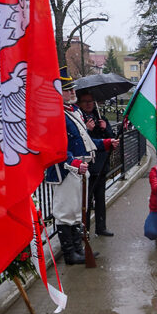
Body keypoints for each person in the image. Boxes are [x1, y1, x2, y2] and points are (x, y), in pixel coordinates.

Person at [45, 67, 114, 265]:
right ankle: (70, 254)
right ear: (59, 91)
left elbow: (85, 141)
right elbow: (55, 147)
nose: (73, 92)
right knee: (66, 213)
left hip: (80, 169)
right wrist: (72, 161)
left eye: (72, 89)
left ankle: (77, 249)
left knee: (77, 212)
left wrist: (105, 143)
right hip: (65, 170)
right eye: (68, 90)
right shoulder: (56, 115)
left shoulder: (73, 111)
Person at [78, 90, 119, 237]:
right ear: (80, 103)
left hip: (101, 165)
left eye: (91, 101)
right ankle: (85, 230)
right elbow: (82, 142)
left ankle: (101, 227)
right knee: (86, 201)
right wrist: (87, 130)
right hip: (88, 166)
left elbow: (112, 140)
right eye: (85, 101)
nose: (89, 104)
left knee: (100, 198)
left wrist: (105, 128)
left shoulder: (101, 118)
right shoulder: (79, 119)